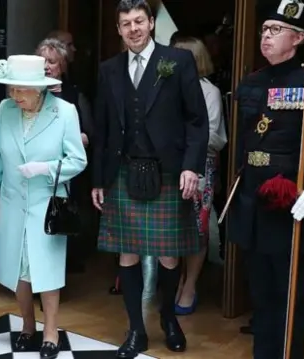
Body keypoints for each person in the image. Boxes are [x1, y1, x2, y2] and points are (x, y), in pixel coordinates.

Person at [91, 1, 209, 357]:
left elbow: (196, 120)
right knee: (126, 255)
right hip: (124, 171)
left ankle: (168, 317)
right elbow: (104, 129)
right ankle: (136, 330)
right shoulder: (109, 69)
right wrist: (99, 179)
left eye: (139, 21)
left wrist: (192, 166)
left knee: (169, 256)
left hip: (169, 171)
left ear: (152, 22)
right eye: (125, 23)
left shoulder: (178, 61)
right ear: (118, 29)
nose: (133, 29)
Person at [0, 54, 87, 358]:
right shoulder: (6, 109)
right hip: (14, 203)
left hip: (46, 205)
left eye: (21, 90)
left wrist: (45, 168)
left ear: (39, 89)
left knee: (46, 271)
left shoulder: (64, 112)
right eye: (11, 89)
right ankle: (28, 326)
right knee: (18, 270)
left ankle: (51, 330)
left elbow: (78, 160)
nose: (15, 96)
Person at [228, 1, 304, 357]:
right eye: (264, 30)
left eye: (276, 30)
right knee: (259, 288)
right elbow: (245, 140)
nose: (266, 37)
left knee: (289, 289)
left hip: (290, 201)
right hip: (252, 199)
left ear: (299, 37)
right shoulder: (251, 83)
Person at [171, 36, 227, 315]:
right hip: (168, 169)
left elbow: (215, 137)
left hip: (199, 169)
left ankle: (189, 285)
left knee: (197, 231)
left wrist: (184, 141)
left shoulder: (210, 92)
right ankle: (173, 282)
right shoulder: (163, 87)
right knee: (169, 229)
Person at [35, 38, 96, 276]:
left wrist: (73, 137)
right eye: (42, 62)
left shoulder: (75, 96)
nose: (47, 67)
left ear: (62, 65)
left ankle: (59, 274)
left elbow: (89, 135)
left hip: (66, 172)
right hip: (36, 170)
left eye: (52, 62)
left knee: (60, 221)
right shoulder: (29, 94)